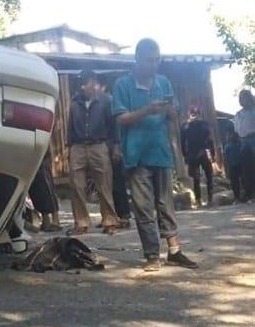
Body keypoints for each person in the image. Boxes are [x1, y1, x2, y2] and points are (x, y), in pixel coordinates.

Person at [112, 38, 198, 272]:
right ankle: (152, 255)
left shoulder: (163, 83)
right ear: (137, 60)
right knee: (143, 207)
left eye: (157, 60)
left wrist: (170, 112)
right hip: (136, 155)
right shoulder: (123, 85)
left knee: (166, 204)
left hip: (161, 152)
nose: (154, 64)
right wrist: (148, 110)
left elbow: (173, 116)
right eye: (150, 60)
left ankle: (174, 250)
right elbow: (121, 118)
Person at [67, 70, 119, 235]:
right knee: (76, 185)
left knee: (104, 183)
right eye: (83, 84)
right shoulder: (75, 103)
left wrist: (115, 145)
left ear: (95, 83)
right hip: (78, 146)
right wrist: (69, 147)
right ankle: (81, 222)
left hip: (99, 145)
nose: (86, 87)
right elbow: (70, 127)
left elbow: (114, 125)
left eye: (88, 83)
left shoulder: (106, 101)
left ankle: (109, 220)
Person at [180, 106, 215, 208]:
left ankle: (210, 199)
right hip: (192, 153)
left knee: (208, 176)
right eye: (193, 114)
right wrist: (185, 155)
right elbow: (182, 142)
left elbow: (210, 139)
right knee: (196, 178)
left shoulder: (204, 124)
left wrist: (212, 153)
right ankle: (199, 200)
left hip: (203, 152)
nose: (194, 116)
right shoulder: (186, 126)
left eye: (196, 114)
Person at [28, 150, 62, 232]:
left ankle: (54, 219)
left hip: (37, 148)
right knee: (35, 185)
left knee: (44, 182)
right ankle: (46, 218)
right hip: (27, 151)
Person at [234, 89, 255, 201]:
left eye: (244, 98)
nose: (242, 100)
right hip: (243, 141)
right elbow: (237, 130)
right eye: (240, 98)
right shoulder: (238, 114)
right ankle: (250, 192)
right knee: (247, 168)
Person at [224, 132, 243, 203]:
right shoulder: (230, 146)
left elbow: (226, 158)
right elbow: (226, 158)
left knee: (238, 182)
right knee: (236, 182)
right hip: (235, 166)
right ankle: (238, 197)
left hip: (237, 166)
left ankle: (239, 197)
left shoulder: (238, 144)